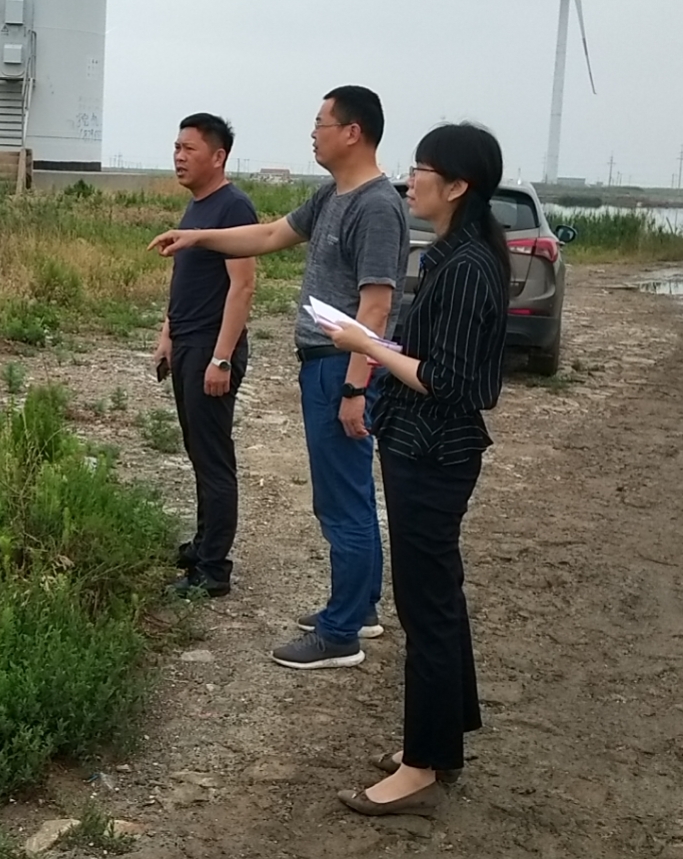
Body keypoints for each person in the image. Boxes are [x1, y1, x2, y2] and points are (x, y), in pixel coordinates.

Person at [150, 86, 409, 670]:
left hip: (341, 367)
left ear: (353, 132)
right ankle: (359, 609)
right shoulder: (332, 195)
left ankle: (340, 633)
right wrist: (197, 237)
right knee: (346, 495)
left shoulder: (374, 206)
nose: (312, 133)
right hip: (324, 364)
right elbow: (268, 235)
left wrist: (355, 387)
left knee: (342, 502)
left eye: (321, 123)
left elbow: (375, 307)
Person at [318, 122, 510, 817]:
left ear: (457, 186)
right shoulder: (456, 255)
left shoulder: (465, 267)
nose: (410, 180)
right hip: (424, 449)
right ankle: (440, 741)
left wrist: (365, 344)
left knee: (426, 609)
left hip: (433, 453)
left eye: (423, 170)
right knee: (438, 597)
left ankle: (422, 769)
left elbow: (449, 382)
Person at [156, 113, 258, 598]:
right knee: (198, 451)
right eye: (177, 147)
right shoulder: (197, 206)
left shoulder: (233, 206)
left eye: (189, 149)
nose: (179, 157)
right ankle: (202, 545)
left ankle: (214, 569)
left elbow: (243, 287)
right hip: (188, 344)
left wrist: (221, 358)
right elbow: (186, 279)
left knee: (214, 460)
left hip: (211, 349)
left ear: (218, 157)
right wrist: (167, 334)